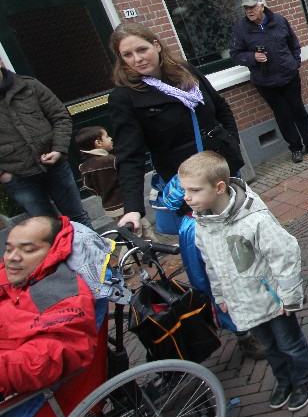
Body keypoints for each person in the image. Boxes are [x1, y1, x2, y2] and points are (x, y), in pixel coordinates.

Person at [106, 23, 262, 360]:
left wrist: (229, 144)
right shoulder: (125, 97)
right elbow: (129, 156)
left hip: (223, 172)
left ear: (156, 45)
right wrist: (132, 208)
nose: (137, 58)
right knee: (216, 260)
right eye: (127, 55)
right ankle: (242, 328)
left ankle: (265, 298)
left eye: (142, 49)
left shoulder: (185, 72)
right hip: (191, 189)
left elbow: (220, 107)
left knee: (248, 239)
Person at [179, 152, 308, 411]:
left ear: (219, 187)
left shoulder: (255, 219)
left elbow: (284, 254)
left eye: (194, 190)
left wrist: (289, 295)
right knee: (269, 345)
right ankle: (284, 380)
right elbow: (211, 264)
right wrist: (221, 295)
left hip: (274, 300)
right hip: (244, 300)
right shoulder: (202, 225)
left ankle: (304, 378)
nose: (186, 197)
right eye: (185, 190)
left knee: (289, 343)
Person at [0, 216, 97, 403]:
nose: (12, 257)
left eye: (28, 250)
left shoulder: (64, 295)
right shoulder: (16, 274)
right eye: (9, 249)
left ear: (53, 249)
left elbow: (46, 358)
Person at [230, 0, 308, 164]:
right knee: (283, 116)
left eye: (252, 7)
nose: (249, 11)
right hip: (265, 81)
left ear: (261, 6)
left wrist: (295, 63)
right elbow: (235, 55)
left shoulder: (279, 20)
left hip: (289, 76)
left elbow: (293, 43)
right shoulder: (240, 29)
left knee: (299, 111)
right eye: (246, 8)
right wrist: (253, 57)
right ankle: (295, 148)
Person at [0, 66, 93, 229]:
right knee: (46, 229)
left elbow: (60, 116)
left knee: (78, 218)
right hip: (19, 176)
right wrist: (3, 174)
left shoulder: (30, 85)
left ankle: (93, 246)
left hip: (56, 166)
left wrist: (58, 149)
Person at [75, 126, 155, 240]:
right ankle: (128, 252)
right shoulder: (112, 160)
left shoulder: (84, 167)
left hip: (110, 206)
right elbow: (127, 178)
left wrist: (103, 192)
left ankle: (156, 246)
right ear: (98, 143)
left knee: (144, 226)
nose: (111, 138)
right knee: (133, 234)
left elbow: (89, 187)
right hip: (125, 203)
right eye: (107, 136)